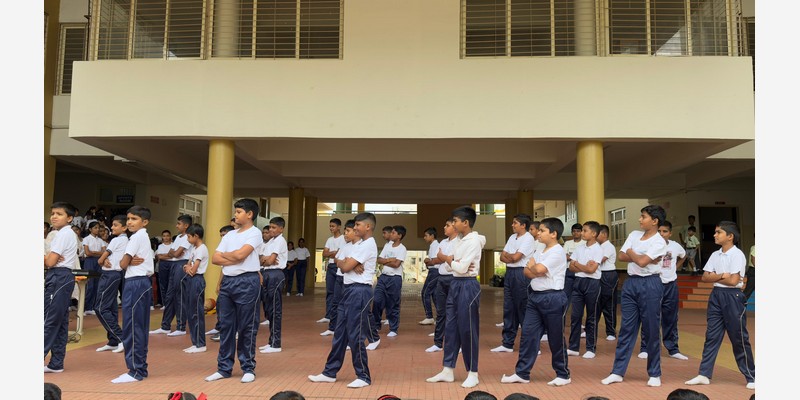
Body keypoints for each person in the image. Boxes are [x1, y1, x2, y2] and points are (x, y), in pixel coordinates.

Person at [308, 212, 379, 389]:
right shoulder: (358, 244)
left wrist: (345, 263)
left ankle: (363, 376)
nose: (355, 228)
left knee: (355, 334)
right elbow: (342, 260)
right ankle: (329, 372)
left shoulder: (368, 244)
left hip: (359, 291)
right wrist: (345, 262)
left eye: (358, 225)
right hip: (348, 290)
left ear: (368, 227)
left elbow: (345, 265)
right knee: (340, 333)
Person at [602, 205, 668, 387]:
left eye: (643, 217)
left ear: (654, 221)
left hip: (651, 283)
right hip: (631, 283)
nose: (640, 219)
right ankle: (617, 372)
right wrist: (638, 256)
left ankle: (654, 373)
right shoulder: (633, 234)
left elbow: (641, 261)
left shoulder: (659, 242)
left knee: (651, 329)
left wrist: (633, 253)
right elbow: (621, 256)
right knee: (626, 329)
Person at [500, 217, 571, 386]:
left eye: (542, 230)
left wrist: (534, 267)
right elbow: (527, 271)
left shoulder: (557, 251)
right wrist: (534, 268)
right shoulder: (540, 250)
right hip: (535, 297)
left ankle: (563, 374)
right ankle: (522, 373)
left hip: (553, 297)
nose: (538, 233)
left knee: (555, 338)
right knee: (528, 335)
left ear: (553, 234)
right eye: (538, 230)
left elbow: (537, 269)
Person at [685, 221, 755, 390]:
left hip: (733, 297)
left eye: (718, 232)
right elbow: (704, 277)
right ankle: (704, 374)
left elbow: (733, 281)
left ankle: (752, 376)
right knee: (711, 336)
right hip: (716, 295)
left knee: (738, 337)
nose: (714, 235)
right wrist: (723, 275)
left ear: (730, 236)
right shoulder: (715, 255)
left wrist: (716, 276)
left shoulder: (737, 255)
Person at [426, 206, 485, 389]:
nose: (453, 224)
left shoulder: (473, 241)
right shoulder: (459, 240)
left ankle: (473, 372)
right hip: (455, 283)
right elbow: (453, 267)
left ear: (465, 223)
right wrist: (452, 261)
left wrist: (447, 259)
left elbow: (460, 267)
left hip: (468, 285)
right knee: (450, 328)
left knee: (467, 329)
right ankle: (447, 370)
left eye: (455, 221)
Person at [206, 198, 263, 383]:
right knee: (225, 326)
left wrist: (229, 256)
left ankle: (248, 367)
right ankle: (224, 368)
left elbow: (241, 255)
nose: (235, 215)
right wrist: (234, 257)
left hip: (247, 281)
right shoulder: (229, 235)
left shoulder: (255, 233)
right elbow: (215, 258)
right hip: (228, 282)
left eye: (239, 212)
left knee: (247, 326)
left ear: (250, 214)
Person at [113, 205, 155, 383]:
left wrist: (127, 261)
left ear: (144, 222)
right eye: (128, 219)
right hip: (141, 282)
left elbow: (122, 264)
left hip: (135, 283)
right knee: (139, 326)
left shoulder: (136, 237)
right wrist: (128, 261)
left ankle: (135, 370)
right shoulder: (142, 237)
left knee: (132, 326)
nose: (129, 222)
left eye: (134, 219)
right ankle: (140, 367)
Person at [638, 220, 688, 360]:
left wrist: (675, 267)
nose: (661, 234)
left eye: (665, 231)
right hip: (653, 283)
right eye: (659, 231)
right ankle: (645, 347)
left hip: (670, 285)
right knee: (649, 316)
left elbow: (684, 256)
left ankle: (673, 349)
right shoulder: (649, 245)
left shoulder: (675, 246)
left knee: (671, 317)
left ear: (670, 233)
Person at [491, 214, 535, 353]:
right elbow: (502, 256)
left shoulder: (528, 238)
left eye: (515, 223)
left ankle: (530, 345)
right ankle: (507, 343)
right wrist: (511, 257)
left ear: (523, 225)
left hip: (521, 273)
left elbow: (516, 258)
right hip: (510, 273)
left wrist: (510, 256)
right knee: (509, 308)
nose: (512, 225)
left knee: (523, 308)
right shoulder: (512, 237)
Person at [44, 202, 79, 374]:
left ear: (70, 218)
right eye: (53, 213)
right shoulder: (64, 233)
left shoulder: (63, 234)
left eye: (59, 214)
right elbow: (51, 259)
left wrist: (47, 258)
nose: (54, 217)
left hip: (58, 276)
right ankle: (56, 362)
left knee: (49, 320)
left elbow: (50, 262)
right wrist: (48, 258)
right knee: (60, 321)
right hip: (62, 276)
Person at [151, 215, 193, 336]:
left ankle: (181, 327)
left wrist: (174, 253)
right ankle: (165, 326)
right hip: (174, 265)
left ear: (186, 225)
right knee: (169, 296)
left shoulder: (188, 237)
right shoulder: (178, 237)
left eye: (179, 224)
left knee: (179, 296)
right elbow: (171, 253)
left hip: (182, 264)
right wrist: (174, 253)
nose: (176, 226)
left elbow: (176, 253)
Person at [566, 220, 603, 359]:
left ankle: (590, 348)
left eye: (585, 230)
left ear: (593, 233)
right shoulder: (579, 248)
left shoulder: (598, 249)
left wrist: (578, 264)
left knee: (591, 316)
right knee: (575, 316)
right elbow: (571, 267)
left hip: (592, 284)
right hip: (578, 282)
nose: (582, 233)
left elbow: (591, 270)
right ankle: (573, 347)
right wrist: (584, 267)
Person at [94, 214, 129, 353]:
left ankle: (121, 338)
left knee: (100, 308)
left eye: (115, 225)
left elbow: (100, 260)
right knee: (111, 308)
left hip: (110, 275)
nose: (112, 227)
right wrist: (105, 259)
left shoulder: (116, 240)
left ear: (124, 227)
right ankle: (113, 341)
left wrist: (103, 260)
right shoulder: (126, 240)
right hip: (116, 274)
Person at [258, 217, 289, 354]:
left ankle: (276, 343)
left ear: (281, 229)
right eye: (270, 227)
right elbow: (260, 259)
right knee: (269, 309)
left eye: (274, 227)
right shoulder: (269, 241)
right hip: (266, 273)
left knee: (275, 309)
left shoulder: (280, 241)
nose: (271, 230)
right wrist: (266, 259)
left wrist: (267, 259)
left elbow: (270, 261)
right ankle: (271, 340)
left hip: (275, 275)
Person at [323, 219, 357, 338]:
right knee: (336, 302)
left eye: (348, 231)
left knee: (348, 304)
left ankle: (350, 331)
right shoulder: (345, 246)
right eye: (345, 231)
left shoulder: (359, 246)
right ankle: (332, 328)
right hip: (339, 276)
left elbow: (349, 263)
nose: (345, 234)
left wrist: (346, 263)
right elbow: (337, 259)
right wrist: (345, 262)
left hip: (350, 279)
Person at [427, 219, 457, 353]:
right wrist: (445, 257)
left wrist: (442, 257)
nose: (444, 227)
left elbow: (452, 259)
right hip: (441, 278)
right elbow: (438, 259)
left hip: (454, 278)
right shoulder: (443, 242)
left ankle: (457, 343)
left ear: (455, 228)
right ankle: (438, 343)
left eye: (447, 225)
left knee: (455, 312)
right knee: (441, 312)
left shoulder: (460, 242)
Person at [373, 225, 408, 338]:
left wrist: (385, 261)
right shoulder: (387, 246)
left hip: (395, 278)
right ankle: (376, 325)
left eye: (393, 233)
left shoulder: (402, 248)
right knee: (377, 300)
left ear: (399, 236)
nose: (391, 234)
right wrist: (389, 259)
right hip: (383, 277)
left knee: (393, 303)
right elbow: (379, 260)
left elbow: (396, 264)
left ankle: (393, 328)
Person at [182, 223, 209, 354]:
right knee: (190, 311)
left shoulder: (202, 249)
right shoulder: (194, 248)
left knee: (196, 312)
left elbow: (192, 270)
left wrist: (188, 268)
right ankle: (195, 342)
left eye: (189, 236)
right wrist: (188, 268)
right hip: (191, 280)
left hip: (197, 280)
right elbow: (187, 266)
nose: (187, 239)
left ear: (196, 236)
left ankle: (200, 343)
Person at [208, 224, 236, 341]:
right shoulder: (224, 248)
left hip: (236, 280)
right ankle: (220, 328)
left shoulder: (236, 247)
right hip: (226, 280)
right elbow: (219, 263)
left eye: (224, 235)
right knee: (221, 306)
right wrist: (219, 283)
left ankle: (233, 331)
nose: (222, 238)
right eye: (221, 236)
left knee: (233, 309)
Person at [319, 218, 345, 325]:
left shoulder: (343, 239)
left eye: (333, 226)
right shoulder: (329, 240)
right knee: (330, 292)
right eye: (330, 226)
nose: (331, 228)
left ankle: (337, 316)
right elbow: (324, 254)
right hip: (330, 266)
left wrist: (331, 253)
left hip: (339, 266)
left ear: (339, 227)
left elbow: (339, 253)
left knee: (339, 293)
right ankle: (328, 316)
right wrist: (333, 253)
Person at [596, 224, 619, 341]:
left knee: (608, 304)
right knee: (596, 302)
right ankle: (591, 329)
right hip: (599, 275)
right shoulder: (598, 246)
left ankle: (611, 332)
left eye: (597, 234)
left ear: (604, 234)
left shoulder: (608, 246)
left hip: (608, 276)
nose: (595, 236)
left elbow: (598, 260)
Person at [82, 220, 107, 316]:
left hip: (98, 261)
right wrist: (98, 253)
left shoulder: (100, 240)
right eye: (95, 228)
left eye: (98, 228)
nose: (97, 230)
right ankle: (86, 307)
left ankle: (92, 307)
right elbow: (87, 253)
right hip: (89, 261)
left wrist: (95, 252)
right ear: (90, 229)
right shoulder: (86, 239)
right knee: (90, 284)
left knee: (97, 284)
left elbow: (105, 252)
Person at [419, 227, 440, 326]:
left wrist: (427, 261)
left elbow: (435, 261)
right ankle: (440, 316)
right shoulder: (432, 246)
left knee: (425, 292)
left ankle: (429, 316)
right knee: (434, 294)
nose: (424, 238)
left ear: (432, 236)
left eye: (426, 235)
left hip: (435, 271)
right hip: (433, 271)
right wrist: (428, 261)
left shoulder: (436, 246)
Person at [154, 230, 173, 308]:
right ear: (162, 237)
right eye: (164, 236)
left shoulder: (173, 245)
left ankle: (171, 303)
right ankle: (165, 303)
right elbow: (159, 257)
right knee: (163, 284)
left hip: (172, 264)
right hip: (162, 265)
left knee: (171, 284)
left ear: (170, 236)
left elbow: (174, 255)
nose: (166, 237)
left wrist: (165, 255)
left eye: (167, 236)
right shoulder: (160, 246)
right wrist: (169, 255)